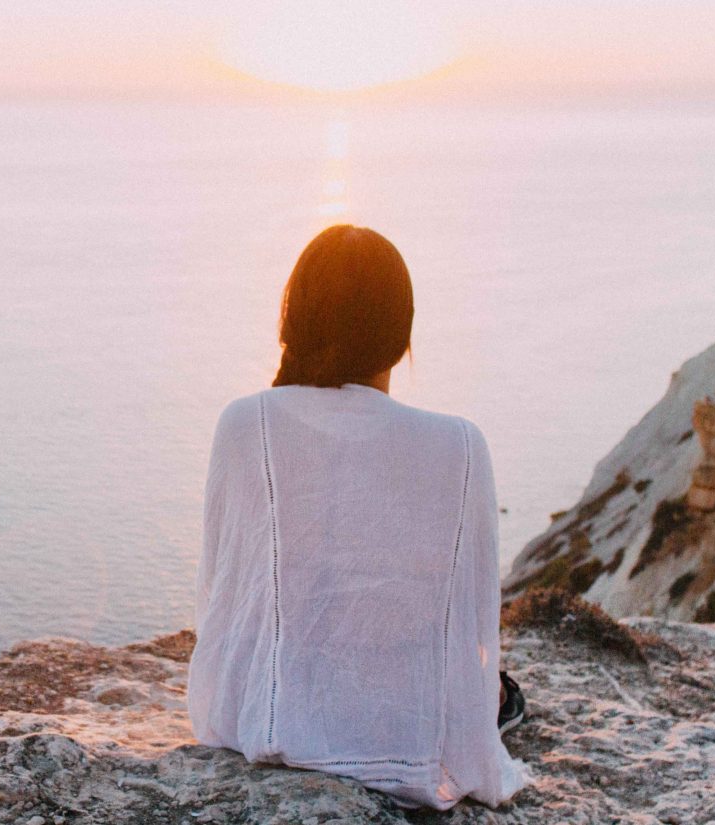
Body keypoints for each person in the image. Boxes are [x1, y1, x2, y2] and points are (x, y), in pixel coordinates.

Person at [186, 225, 531, 810]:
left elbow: (222, 599)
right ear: (399, 336)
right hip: (405, 727)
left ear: (294, 321)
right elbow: (471, 619)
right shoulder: (461, 446)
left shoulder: (245, 424)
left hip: (269, 716)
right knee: (489, 690)